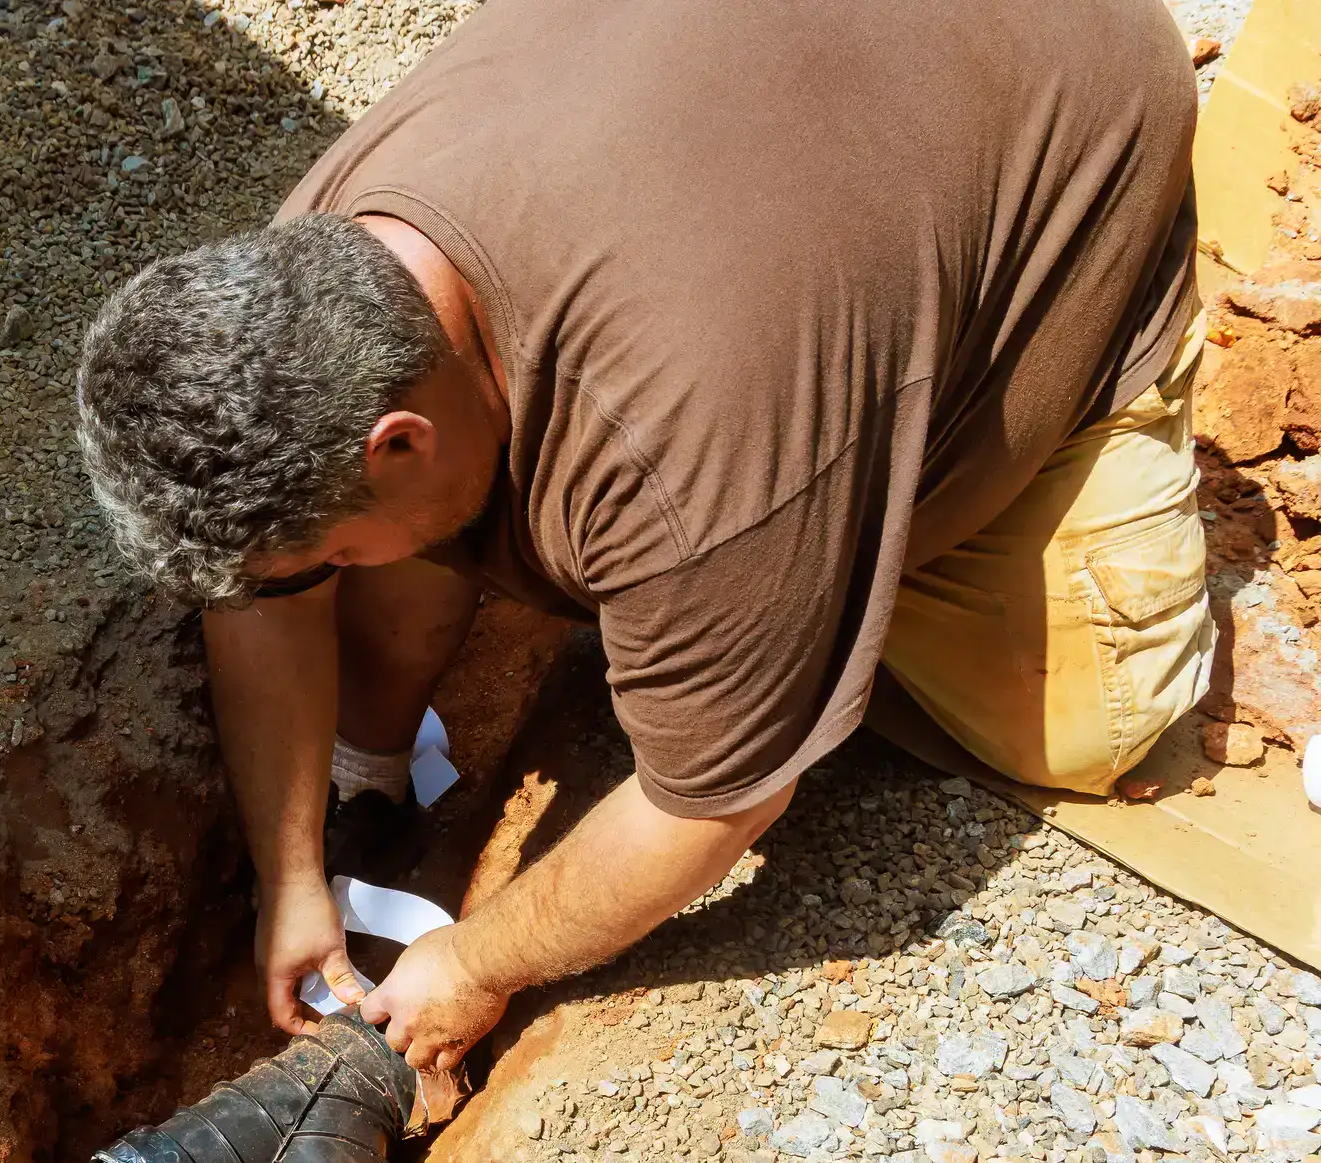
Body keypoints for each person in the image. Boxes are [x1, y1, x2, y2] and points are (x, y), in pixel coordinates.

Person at [74, 0, 1208, 1074]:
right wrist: (292, 875)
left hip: (1072, 93)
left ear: (402, 439)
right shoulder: (318, 278)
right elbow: (262, 590)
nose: (319, 583)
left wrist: (472, 963)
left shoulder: (694, 457)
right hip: (784, 126)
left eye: (324, 561)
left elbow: (712, 801)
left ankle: (1090, 367)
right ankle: (378, 758)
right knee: (417, 539)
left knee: (1077, 728)